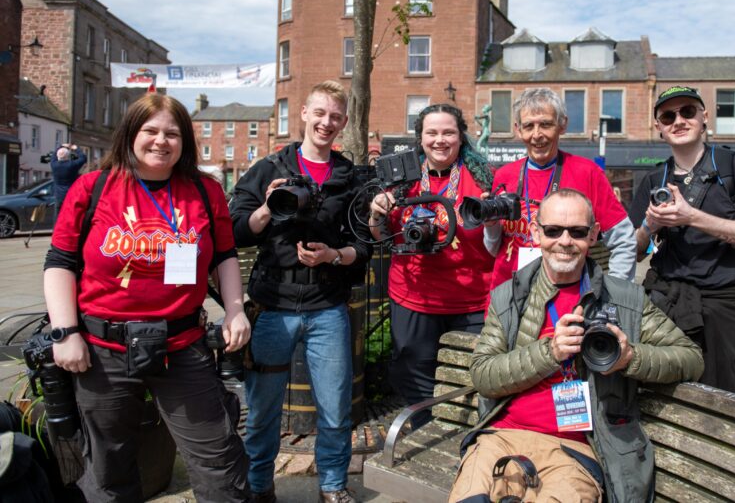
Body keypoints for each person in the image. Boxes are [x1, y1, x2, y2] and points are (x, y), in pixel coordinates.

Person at [43, 93, 252, 502]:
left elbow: (224, 255)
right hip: (103, 351)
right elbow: (60, 261)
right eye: (150, 131)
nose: (161, 141)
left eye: (172, 133)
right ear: (130, 135)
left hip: (182, 346)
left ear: (185, 142)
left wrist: (234, 311)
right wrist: (64, 332)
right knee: (108, 468)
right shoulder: (93, 188)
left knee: (219, 461)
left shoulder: (205, 191)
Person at [449, 189, 703, 502]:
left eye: (578, 232)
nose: (565, 241)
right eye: (553, 230)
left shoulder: (625, 300)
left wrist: (630, 358)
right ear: (536, 232)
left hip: (575, 451)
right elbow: (483, 375)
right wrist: (549, 352)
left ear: (593, 235)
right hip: (502, 437)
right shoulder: (510, 296)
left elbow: (691, 358)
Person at [229, 80, 371, 503]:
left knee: (334, 406)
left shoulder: (351, 177)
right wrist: (266, 208)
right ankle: (259, 485)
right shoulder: (269, 168)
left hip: (327, 306)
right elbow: (237, 232)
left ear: (343, 122)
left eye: (335, 116)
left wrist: (333, 255)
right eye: (320, 113)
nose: (326, 122)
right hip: (273, 306)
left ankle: (332, 484)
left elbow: (364, 246)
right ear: (304, 114)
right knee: (264, 409)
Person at [629, 86, 735, 395]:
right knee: (655, 395)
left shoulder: (734, 166)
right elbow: (634, 251)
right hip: (664, 301)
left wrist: (691, 216)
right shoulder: (654, 179)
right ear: (659, 128)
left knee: (724, 398)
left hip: (720, 303)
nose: (678, 120)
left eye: (688, 111)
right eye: (668, 116)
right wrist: (649, 225)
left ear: (705, 117)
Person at [369, 103, 495, 426]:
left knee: (471, 376)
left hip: (470, 298)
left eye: (449, 132)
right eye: (432, 133)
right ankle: (427, 427)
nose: (440, 140)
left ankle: (463, 434)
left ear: (461, 136)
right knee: (411, 371)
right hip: (414, 296)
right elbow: (382, 235)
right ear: (420, 138)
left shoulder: (481, 178)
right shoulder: (402, 179)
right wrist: (376, 213)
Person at [484, 88, 636, 290]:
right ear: (518, 129)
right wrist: (491, 226)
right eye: (529, 126)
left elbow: (624, 240)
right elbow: (494, 249)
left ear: (562, 125)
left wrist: (616, 295)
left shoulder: (587, 172)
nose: (537, 135)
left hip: (567, 303)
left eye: (545, 124)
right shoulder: (504, 175)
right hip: (508, 297)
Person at [50, 143, 87, 210]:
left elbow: (53, 156)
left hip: (59, 196)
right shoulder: (72, 165)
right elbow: (83, 158)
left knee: (58, 216)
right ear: (68, 156)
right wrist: (76, 149)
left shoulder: (54, 165)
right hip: (71, 194)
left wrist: (61, 146)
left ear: (58, 156)